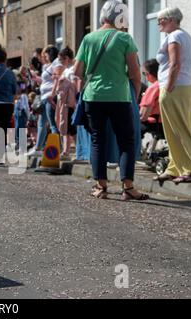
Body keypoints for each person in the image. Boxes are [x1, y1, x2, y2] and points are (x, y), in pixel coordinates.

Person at [74, 0, 149, 200]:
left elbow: (77, 71)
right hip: (119, 97)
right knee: (126, 140)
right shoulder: (125, 38)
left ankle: (101, 186)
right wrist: (132, 93)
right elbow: (135, 73)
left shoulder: (88, 38)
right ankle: (128, 187)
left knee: (98, 140)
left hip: (93, 96)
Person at [155, 7, 191, 184]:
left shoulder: (174, 37)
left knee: (179, 130)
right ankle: (174, 167)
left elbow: (175, 64)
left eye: (161, 19)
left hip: (175, 88)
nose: (158, 23)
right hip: (186, 87)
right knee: (177, 130)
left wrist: (168, 87)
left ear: (171, 19)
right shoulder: (185, 35)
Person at [26, 45, 59, 157]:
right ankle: (38, 148)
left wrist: (53, 94)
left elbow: (56, 79)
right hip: (44, 97)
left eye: (46, 55)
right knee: (41, 123)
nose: (44, 57)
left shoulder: (56, 64)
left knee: (52, 124)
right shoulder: (47, 66)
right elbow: (45, 81)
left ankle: (57, 149)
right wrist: (35, 78)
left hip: (50, 96)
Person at [52, 63, 77, 159]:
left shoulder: (64, 81)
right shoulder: (61, 81)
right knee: (66, 130)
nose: (53, 76)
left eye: (54, 74)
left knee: (69, 130)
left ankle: (72, 151)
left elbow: (63, 95)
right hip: (64, 107)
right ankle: (66, 151)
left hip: (67, 108)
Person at [140, 59, 161, 132]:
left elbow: (143, 116)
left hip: (156, 124)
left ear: (149, 73)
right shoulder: (167, 86)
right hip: (167, 123)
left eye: (144, 73)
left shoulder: (153, 88)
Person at [14, 81, 30, 152]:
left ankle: (22, 146)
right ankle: (18, 145)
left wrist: (28, 116)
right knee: (17, 128)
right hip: (18, 114)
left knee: (21, 128)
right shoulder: (17, 96)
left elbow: (26, 107)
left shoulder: (23, 96)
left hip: (22, 114)